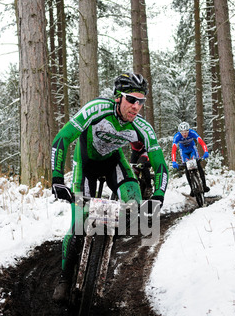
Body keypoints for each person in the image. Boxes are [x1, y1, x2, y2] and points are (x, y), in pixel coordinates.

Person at [51, 72, 168, 303]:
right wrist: (56, 178)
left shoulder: (142, 127)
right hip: (85, 165)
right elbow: (63, 138)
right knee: (78, 225)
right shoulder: (96, 109)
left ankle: (105, 246)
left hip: (113, 164)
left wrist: (159, 195)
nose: (136, 106)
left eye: (141, 101)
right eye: (131, 100)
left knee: (133, 204)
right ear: (118, 97)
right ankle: (64, 279)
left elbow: (160, 164)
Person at [171, 122, 210, 196]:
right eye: (182, 132)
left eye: (186, 132)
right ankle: (192, 189)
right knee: (186, 168)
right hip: (184, 151)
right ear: (180, 132)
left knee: (198, 164)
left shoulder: (192, 133)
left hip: (192, 149)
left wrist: (206, 151)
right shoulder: (177, 136)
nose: (184, 134)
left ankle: (204, 186)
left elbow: (201, 142)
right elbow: (174, 150)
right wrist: (174, 161)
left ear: (188, 131)